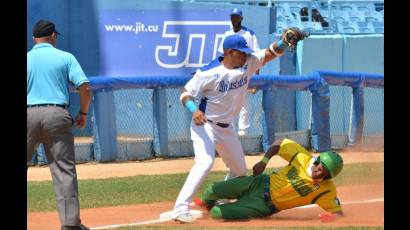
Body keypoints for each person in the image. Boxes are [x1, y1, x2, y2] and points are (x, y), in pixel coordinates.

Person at [172, 27, 308, 223]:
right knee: (204, 163)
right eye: (241, 52)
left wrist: (284, 42)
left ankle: (219, 199)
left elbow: (271, 52)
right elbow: (185, 93)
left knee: (239, 170)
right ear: (228, 52)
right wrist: (194, 109)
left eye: (246, 52)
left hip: (227, 128)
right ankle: (179, 209)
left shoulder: (248, 62)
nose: (246, 55)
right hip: (205, 125)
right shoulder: (208, 73)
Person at [27, 20, 92, 230]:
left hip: (28, 114)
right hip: (57, 115)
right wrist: (82, 113)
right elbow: (85, 87)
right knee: (63, 171)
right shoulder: (65, 57)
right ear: (53, 36)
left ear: (34, 39)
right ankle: (71, 225)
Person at [194, 138, 344, 221]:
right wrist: (264, 162)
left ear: (329, 176)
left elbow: (338, 213)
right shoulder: (303, 157)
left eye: (325, 173)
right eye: (320, 166)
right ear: (317, 160)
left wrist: (331, 218)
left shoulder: (326, 190)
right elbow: (279, 143)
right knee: (209, 192)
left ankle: (219, 209)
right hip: (258, 182)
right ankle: (207, 204)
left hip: (262, 206)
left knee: (217, 213)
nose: (319, 172)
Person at [218, 8, 261, 136]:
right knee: (228, 101)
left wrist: (256, 81)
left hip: (244, 72)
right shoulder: (226, 34)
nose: (234, 19)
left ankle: (244, 131)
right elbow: (221, 56)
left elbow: (257, 56)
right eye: (232, 17)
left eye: (237, 17)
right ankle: (229, 129)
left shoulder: (249, 34)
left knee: (243, 102)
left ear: (241, 18)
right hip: (230, 73)